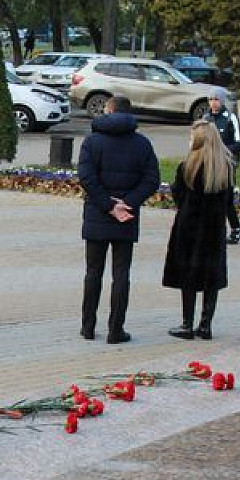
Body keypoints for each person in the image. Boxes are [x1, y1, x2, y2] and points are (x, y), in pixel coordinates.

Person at [76, 95, 161, 344]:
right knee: (121, 274)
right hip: (127, 216)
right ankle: (116, 330)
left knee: (93, 272)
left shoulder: (92, 142)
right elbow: (151, 180)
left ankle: (88, 327)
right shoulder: (142, 144)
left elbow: (87, 178)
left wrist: (108, 205)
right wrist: (128, 203)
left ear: (109, 110)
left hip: (97, 214)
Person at [162, 121, 232, 340]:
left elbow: (178, 196)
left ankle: (187, 323)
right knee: (211, 275)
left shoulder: (188, 166)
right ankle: (206, 324)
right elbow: (228, 200)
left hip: (189, 226)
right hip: (214, 228)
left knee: (188, 274)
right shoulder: (226, 167)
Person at [203, 87, 240, 244]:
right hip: (210, 163)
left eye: (216, 100)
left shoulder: (230, 118)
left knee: (225, 197)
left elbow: (239, 143)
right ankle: (217, 229)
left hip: (227, 164)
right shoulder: (206, 118)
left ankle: (234, 228)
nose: (213, 103)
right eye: (211, 100)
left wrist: (223, 152)